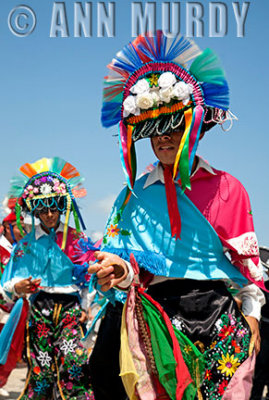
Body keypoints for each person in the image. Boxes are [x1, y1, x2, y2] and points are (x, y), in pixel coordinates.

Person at [88, 32, 266, 400]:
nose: (164, 138)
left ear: (194, 126)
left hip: (220, 318)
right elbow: (126, 268)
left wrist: (251, 314)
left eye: (173, 126)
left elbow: (246, 267)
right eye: (154, 129)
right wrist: (120, 273)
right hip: (155, 322)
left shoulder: (227, 188)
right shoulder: (133, 197)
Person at [1, 157, 95, 400]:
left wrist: (85, 306)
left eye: (54, 207)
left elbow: (87, 278)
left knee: (74, 361)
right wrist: (18, 287)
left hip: (70, 309)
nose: (50, 214)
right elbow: (8, 284)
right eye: (44, 208)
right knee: (42, 370)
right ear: (35, 209)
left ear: (63, 205)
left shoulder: (76, 239)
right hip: (39, 306)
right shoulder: (26, 245)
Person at [0, 210, 25, 397]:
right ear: (7, 228)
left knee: (10, 347)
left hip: (13, 307)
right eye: (18, 227)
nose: (22, 230)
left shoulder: (20, 250)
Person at [250, 247, 269, 400]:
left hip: (265, 334)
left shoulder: (263, 289)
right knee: (260, 371)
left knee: (261, 372)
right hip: (265, 334)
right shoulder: (263, 289)